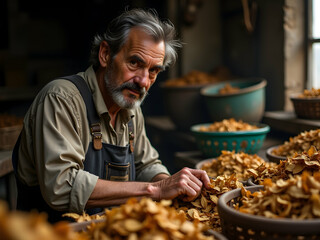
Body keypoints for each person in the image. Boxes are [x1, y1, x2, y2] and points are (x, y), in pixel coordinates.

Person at [12, 8, 210, 223]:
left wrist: (173, 184)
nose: (143, 81)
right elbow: (61, 186)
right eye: (135, 63)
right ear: (105, 54)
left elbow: (145, 164)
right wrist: (156, 189)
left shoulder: (131, 107)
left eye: (153, 71)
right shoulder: (61, 99)